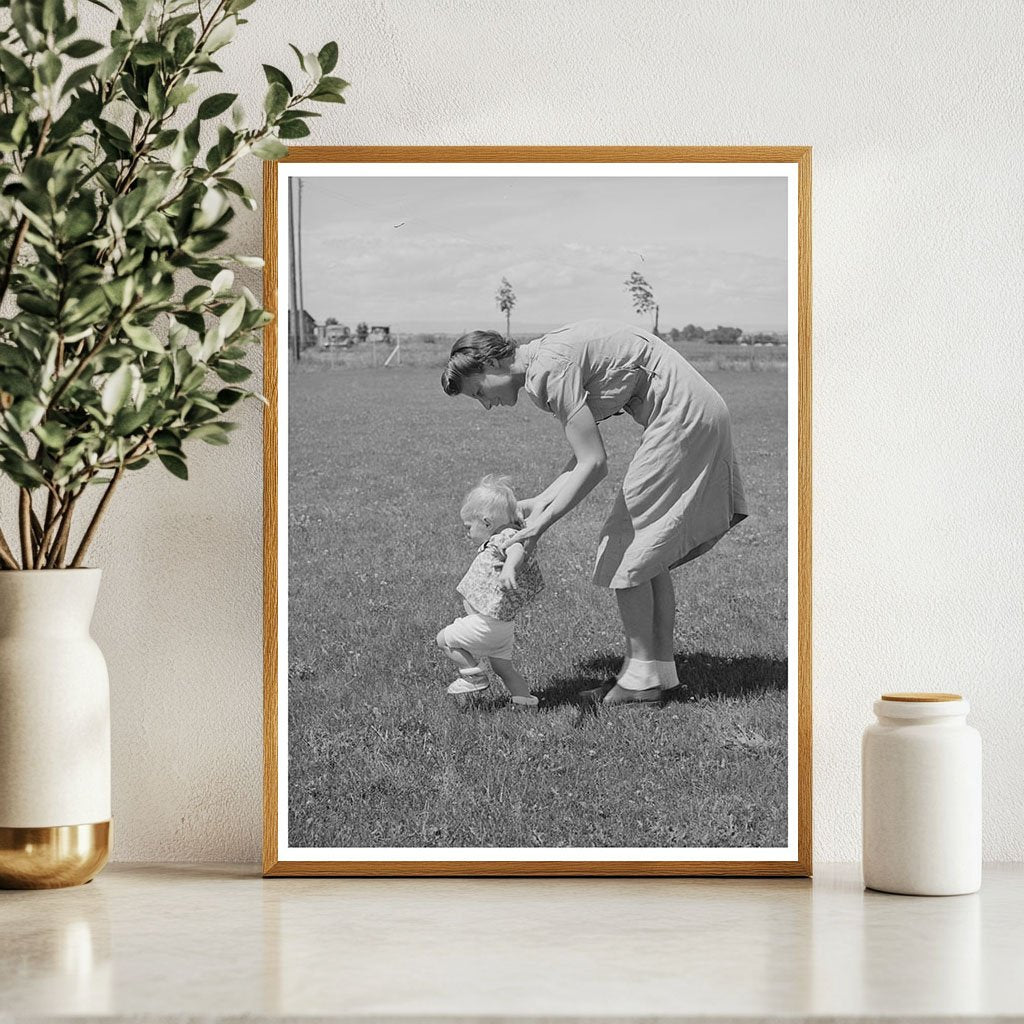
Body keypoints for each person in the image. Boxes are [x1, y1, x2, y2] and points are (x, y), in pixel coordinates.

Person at [440, 319, 748, 705]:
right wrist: (542, 499)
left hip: (682, 419)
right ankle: (659, 674)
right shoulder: (545, 358)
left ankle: (640, 679)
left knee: (626, 546)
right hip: (693, 413)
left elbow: (594, 463)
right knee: (646, 551)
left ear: (493, 364)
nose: (487, 404)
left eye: (480, 391)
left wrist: (540, 526)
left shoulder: (550, 371)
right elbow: (582, 455)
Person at [436, 475, 544, 708]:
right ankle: (524, 700)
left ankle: (472, 675)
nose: (467, 533)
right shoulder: (507, 532)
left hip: (485, 624)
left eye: (468, 527)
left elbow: (515, 547)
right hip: (503, 627)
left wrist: (509, 567)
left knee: (444, 639)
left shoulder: (504, 536)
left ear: (485, 522)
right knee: (503, 668)